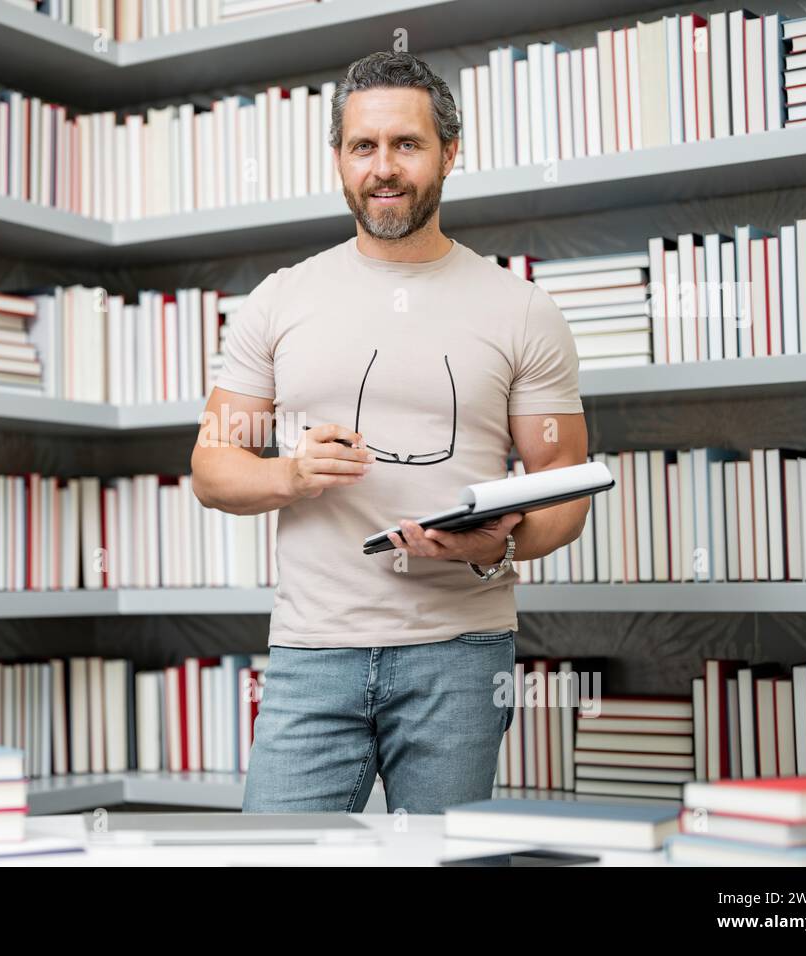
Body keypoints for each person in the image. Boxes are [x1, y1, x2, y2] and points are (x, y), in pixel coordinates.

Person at [190, 50, 590, 814]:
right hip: (313, 651)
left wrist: (497, 545)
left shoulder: (522, 310)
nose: (384, 168)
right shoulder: (280, 301)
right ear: (338, 158)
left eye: (406, 144)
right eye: (363, 146)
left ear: (449, 152)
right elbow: (212, 466)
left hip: (462, 653)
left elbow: (566, 482)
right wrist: (290, 474)